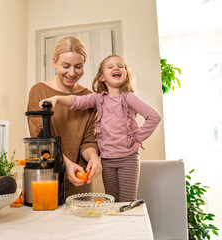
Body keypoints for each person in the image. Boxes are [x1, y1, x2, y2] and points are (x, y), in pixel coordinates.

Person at [39, 55, 162, 202]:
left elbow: (154, 117)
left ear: (126, 74)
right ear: (102, 77)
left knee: (127, 201)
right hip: (107, 160)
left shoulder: (129, 97)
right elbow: (76, 101)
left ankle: (127, 225)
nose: (116, 68)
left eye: (120, 66)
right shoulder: (98, 98)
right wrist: (57, 99)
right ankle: (115, 225)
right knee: (112, 201)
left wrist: (137, 138)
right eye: (110, 67)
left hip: (128, 158)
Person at [27, 36, 102, 198]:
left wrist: (94, 159)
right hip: (48, 177)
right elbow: (41, 139)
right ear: (55, 62)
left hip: (80, 179)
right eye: (66, 66)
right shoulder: (38, 91)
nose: (72, 73)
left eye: (78, 67)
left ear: (84, 64)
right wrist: (67, 164)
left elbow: (89, 140)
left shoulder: (88, 98)